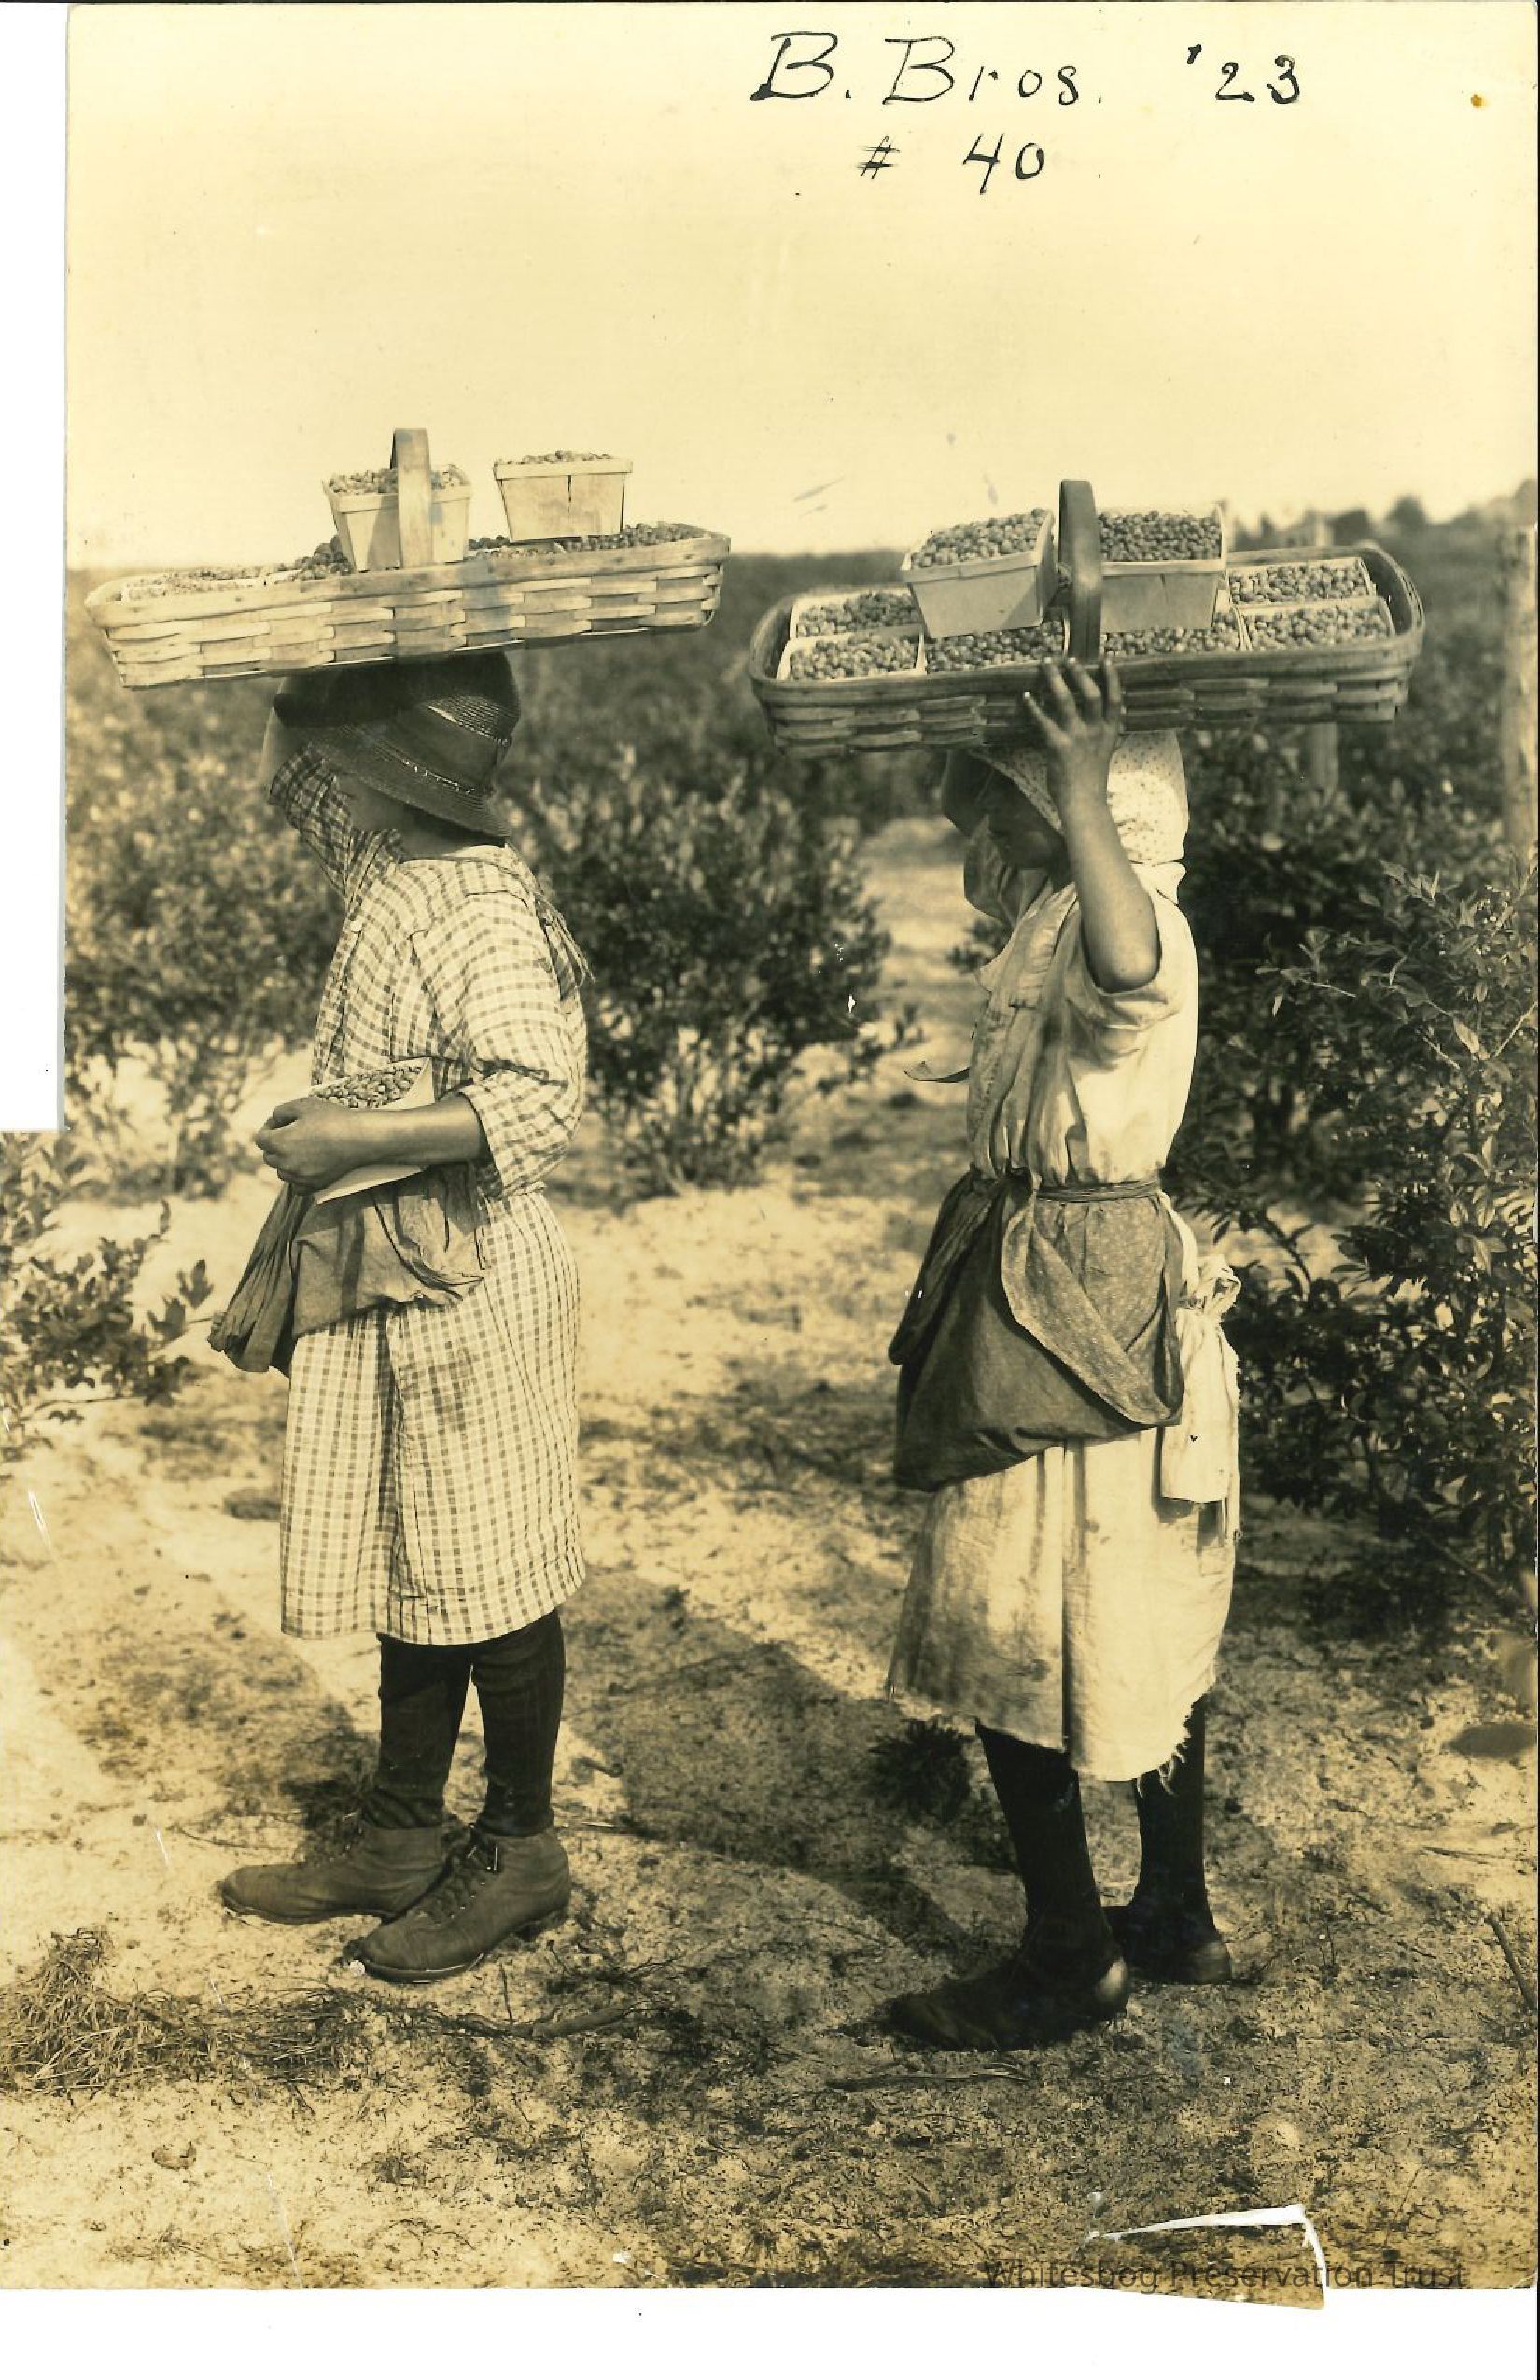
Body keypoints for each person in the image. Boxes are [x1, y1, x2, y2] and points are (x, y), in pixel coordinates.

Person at [213, 651, 591, 1985]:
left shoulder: (471, 907)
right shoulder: (401, 870)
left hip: (464, 1266)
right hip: (404, 1260)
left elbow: (538, 1105)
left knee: (488, 1559)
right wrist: (305, 682)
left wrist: (350, 1135)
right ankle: (398, 1827)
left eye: (338, 755)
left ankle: (523, 1841)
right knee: (416, 1540)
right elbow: (297, 782)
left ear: (384, 772)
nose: (312, 783)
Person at [883, 657, 1241, 2052]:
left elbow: (1129, 972)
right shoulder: (1048, 907)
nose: (999, 801)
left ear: (1095, 800)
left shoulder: (1130, 912)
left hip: (1065, 1295)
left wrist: (1084, 789)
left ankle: (1063, 1950)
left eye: (1024, 782)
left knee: (1013, 1597)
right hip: (1076, 1273)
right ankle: (1172, 1907)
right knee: (1130, 1586)